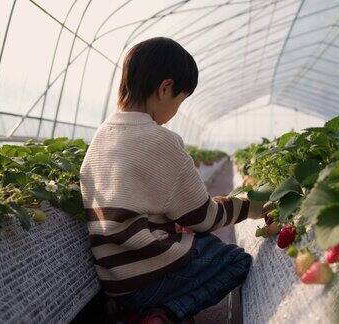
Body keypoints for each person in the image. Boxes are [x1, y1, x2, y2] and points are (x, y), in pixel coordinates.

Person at [79, 37, 269, 324]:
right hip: (151, 271)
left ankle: (134, 311)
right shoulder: (161, 140)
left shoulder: (101, 136)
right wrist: (250, 206)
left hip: (115, 282)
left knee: (193, 240)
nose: (177, 109)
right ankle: (165, 314)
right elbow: (203, 217)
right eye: (181, 99)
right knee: (236, 261)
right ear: (165, 88)